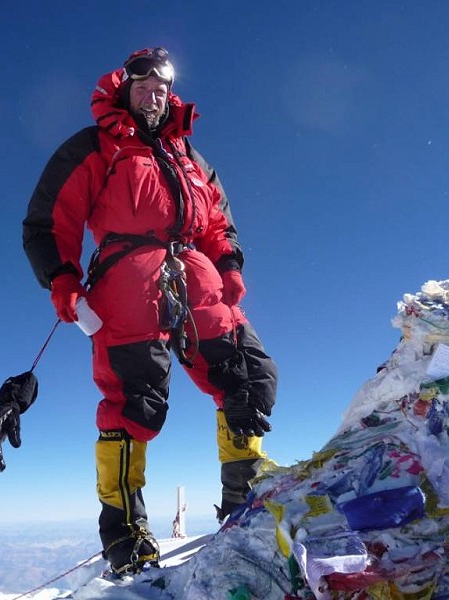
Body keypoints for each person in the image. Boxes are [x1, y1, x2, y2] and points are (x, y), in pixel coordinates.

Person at [19, 47, 277, 575]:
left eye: (162, 87)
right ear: (126, 88)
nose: (154, 94)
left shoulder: (191, 158)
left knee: (248, 375)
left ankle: (243, 496)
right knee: (134, 402)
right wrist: (63, 277)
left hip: (195, 271)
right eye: (144, 86)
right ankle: (126, 534)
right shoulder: (98, 145)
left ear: (170, 93)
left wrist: (227, 264)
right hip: (126, 277)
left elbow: (219, 221)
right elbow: (50, 219)